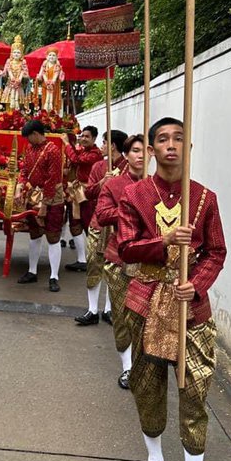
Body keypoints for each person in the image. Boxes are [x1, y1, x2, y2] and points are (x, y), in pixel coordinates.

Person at [116, 117, 226, 461]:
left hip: (191, 311)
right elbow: (126, 248)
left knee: (195, 392)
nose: (171, 146)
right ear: (151, 148)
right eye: (162, 139)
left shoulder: (205, 199)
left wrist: (195, 287)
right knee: (147, 388)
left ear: (189, 146)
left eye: (178, 138)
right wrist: (162, 242)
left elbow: (216, 251)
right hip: (145, 304)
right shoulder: (134, 196)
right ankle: (155, 460)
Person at [94, 135, 145, 389]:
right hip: (119, 258)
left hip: (152, 261)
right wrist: (128, 210)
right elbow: (102, 215)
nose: (141, 155)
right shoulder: (114, 185)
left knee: (145, 317)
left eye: (146, 150)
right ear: (127, 154)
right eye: (135, 150)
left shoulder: (161, 186)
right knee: (122, 315)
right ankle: (127, 367)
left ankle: (143, 364)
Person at [74, 129, 128, 328]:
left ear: (112, 145)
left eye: (105, 142)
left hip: (119, 225)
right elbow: (88, 192)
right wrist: (101, 183)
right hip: (99, 222)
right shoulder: (98, 166)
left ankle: (109, 309)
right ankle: (92, 309)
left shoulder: (128, 167)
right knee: (93, 264)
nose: (102, 146)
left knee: (114, 268)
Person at [16, 118, 65, 292]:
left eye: (28, 137)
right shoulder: (29, 148)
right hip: (33, 196)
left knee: (53, 237)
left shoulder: (53, 150)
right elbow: (24, 170)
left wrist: (45, 204)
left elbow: (53, 179)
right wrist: (21, 184)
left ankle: (53, 276)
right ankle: (32, 271)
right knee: (34, 234)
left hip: (53, 198)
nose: (27, 141)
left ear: (36, 134)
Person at [65, 126, 103, 271]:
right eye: (82, 136)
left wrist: (66, 144)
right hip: (77, 191)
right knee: (75, 224)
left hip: (89, 194)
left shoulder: (95, 154)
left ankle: (94, 258)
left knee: (89, 226)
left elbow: (76, 159)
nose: (84, 138)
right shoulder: (84, 150)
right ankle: (81, 259)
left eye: (87, 136)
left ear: (94, 139)